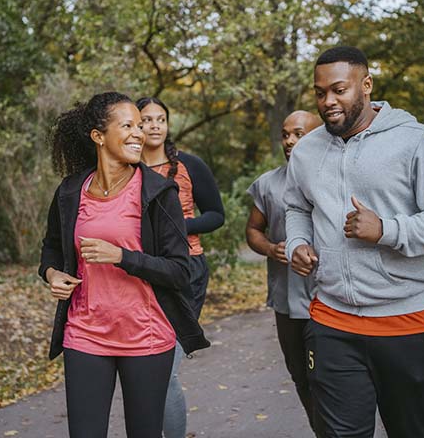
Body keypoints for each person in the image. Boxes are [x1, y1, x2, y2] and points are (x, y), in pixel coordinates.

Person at [284, 45, 424, 438]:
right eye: (320, 93)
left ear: (366, 84)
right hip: (332, 321)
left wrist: (389, 230)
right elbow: (297, 207)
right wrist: (297, 243)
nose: (328, 101)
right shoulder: (306, 151)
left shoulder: (417, 141)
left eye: (339, 90)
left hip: (406, 323)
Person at [39, 91, 209, 438]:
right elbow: (51, 249)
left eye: (141, 125)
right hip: (85, 334)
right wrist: (52, 274)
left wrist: (122, 257)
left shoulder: (159, 192)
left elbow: (181, 270)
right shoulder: (72, 190)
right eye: (128, 125)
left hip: (145, 337)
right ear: (98, 136)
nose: (139, 133)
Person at [136, 96, 224, 438]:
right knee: (145, 366)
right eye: (146, 119)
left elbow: (216, 215)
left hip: (186, 270)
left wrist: (174, 227)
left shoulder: (189, 165)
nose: (155, 125)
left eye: (161, 119)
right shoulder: (125, 168)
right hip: (140, 272)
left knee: (165, 370)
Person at [245, 110, 323, 432]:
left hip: (328, 300)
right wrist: (270, 249)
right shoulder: (267, 184)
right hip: (286, 302)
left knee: (327, 378)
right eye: (285, 134)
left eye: (299, 134)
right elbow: (253, 231)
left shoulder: (334, 179)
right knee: (301, 377)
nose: (290, 140)